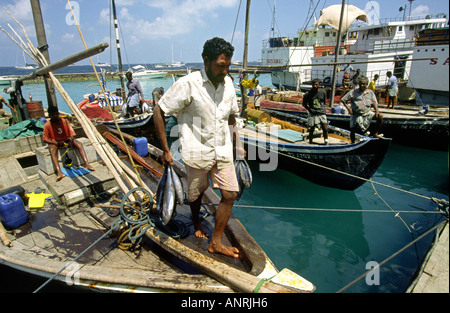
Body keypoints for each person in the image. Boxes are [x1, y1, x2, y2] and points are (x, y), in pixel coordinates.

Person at [153, 37, 245, 258]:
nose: (224, 70)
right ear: (206, 61)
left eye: (228, 66)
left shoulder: (229, 84)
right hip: (196, 150)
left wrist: (238, 146)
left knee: (230, 193)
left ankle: (216, 241)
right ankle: (196, 220)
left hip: (222, 150)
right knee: (196, 194)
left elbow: (232, 117)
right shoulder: (188, 84)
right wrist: (166, 150)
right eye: (220, 65)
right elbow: (159, 110)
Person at [42, 106, 95, 181]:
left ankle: (87, 164)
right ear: (50, 115)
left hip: (65, 139)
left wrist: (70, 141)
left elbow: (71, 134)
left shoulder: (64, 121)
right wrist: (56, 143)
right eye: (53, 115)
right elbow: (45, 139)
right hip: (56, 142)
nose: (55, 116)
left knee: (79, 144)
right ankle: (59, 172)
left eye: (56, 114)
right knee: (52, 150)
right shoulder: (47, 124)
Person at [341, 76, 383, 143]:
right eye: (361, 84)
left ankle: (375, 133)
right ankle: (352, 142)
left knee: (380, 117)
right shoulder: (353, 92)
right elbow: (343, 99)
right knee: (353, 128)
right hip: (356, 113)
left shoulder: (370, 92)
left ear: (366, 84)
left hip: (367, 112)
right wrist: (348, 108)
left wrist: (377, 111)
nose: (362, 85)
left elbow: (374, 102)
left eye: (364, 84)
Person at [302, 79, 329, 144]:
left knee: (325, 127)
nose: (314, 86)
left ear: (319, 85)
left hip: (321, 112)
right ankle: (310, 142)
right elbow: (304, 104)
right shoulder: (308, 93)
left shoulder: (323, 92)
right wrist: (310, 110)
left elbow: (324, 102)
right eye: (313, 84)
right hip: (312, 113)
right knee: (311, 128)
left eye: (316, 84)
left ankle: (326, 140)